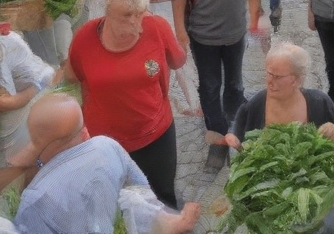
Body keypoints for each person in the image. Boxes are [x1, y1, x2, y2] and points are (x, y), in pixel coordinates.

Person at [155, 0, 261, 171]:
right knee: (211, 86)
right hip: (204, 35)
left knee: (235, 85)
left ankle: (235, 129)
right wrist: (180, 29)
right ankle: (216, 138)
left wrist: (254, 16)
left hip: (235, 32)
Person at [64, 0, 185, 208]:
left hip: (156, 133)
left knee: (163, 196)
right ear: (106, 10)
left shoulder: (157, 27)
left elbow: (178, 60)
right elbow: (72, 77)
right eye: (126, 15)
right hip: (106, 143)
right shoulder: (85, 38)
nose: (135, 22)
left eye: (140, 13)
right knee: (116, 201)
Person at [9, 94, 200, 234]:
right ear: (83, 131)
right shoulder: (107, 145)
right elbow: (141, 189)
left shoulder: (35, 199)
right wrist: (162, 220)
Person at [226, 42, 334, 149]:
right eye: (269, 74)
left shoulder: (320, 103)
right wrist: (233, 141)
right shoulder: (253, 106)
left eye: (277, 77)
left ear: (296, 80)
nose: (270, 81)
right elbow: (241, 147)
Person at [0, 24, 54, 166]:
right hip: (31, 88)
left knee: (12, 163)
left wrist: (35, 87)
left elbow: (5, 102)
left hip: (29, 97)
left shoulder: (2, 48)